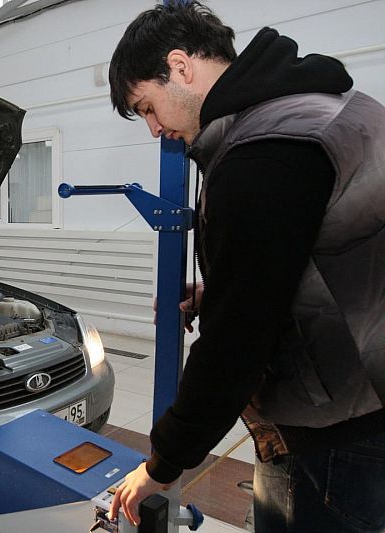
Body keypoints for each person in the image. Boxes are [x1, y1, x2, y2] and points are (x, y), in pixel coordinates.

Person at [106, 2, 385, 531]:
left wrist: (162, 465)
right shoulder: (327, 107)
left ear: (181, 66)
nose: (153, 128)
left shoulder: (263, 152)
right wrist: (226, 288)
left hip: (330, 438)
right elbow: (345, 254)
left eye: (146, 106)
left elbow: (236, 344)